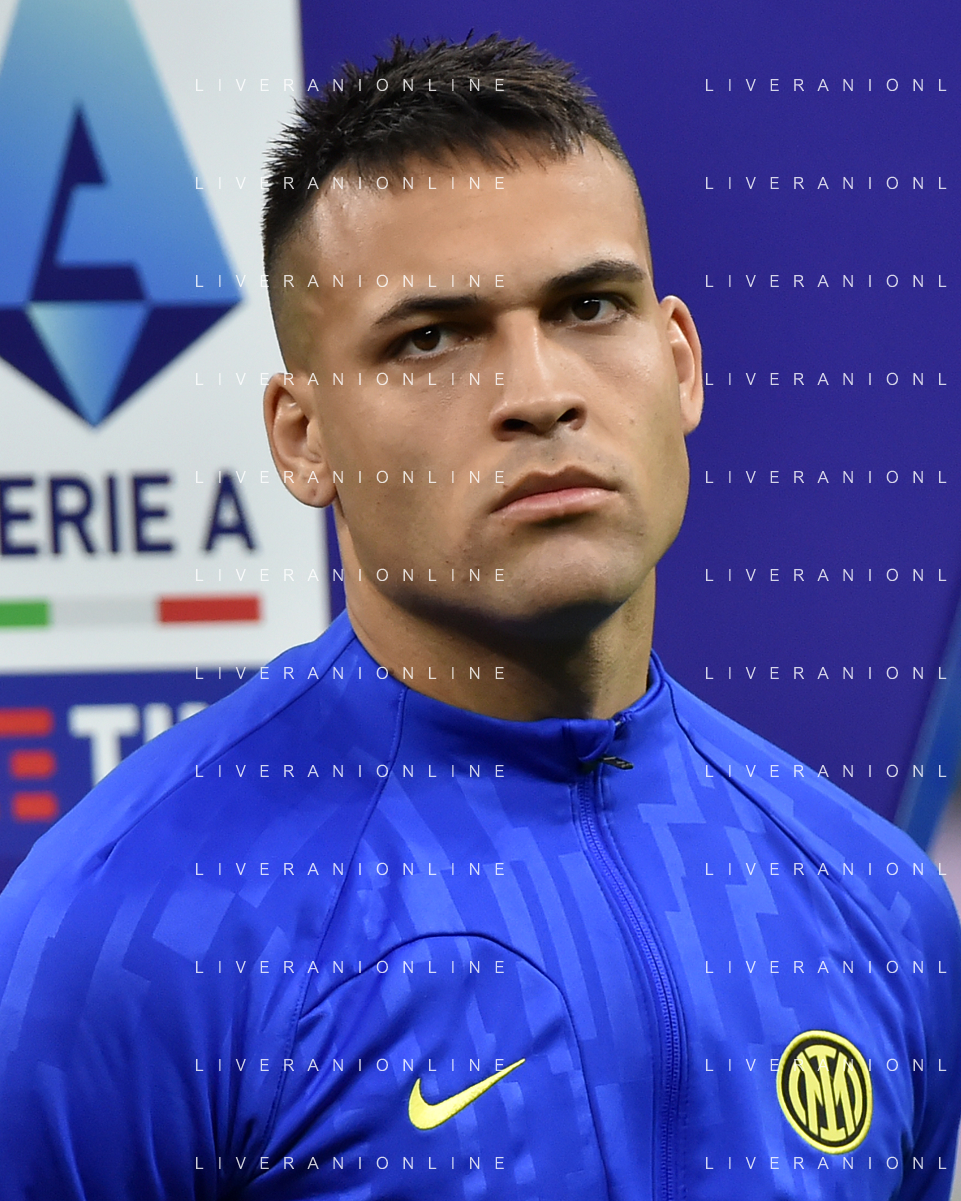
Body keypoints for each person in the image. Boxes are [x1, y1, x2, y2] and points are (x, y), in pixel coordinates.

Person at [0, 35, 958, 1201]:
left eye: (589, 307)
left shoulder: (873, 898)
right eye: (432, 337)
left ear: (680, 363)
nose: (539, 393)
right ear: (304, 437)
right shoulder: (126, 929)